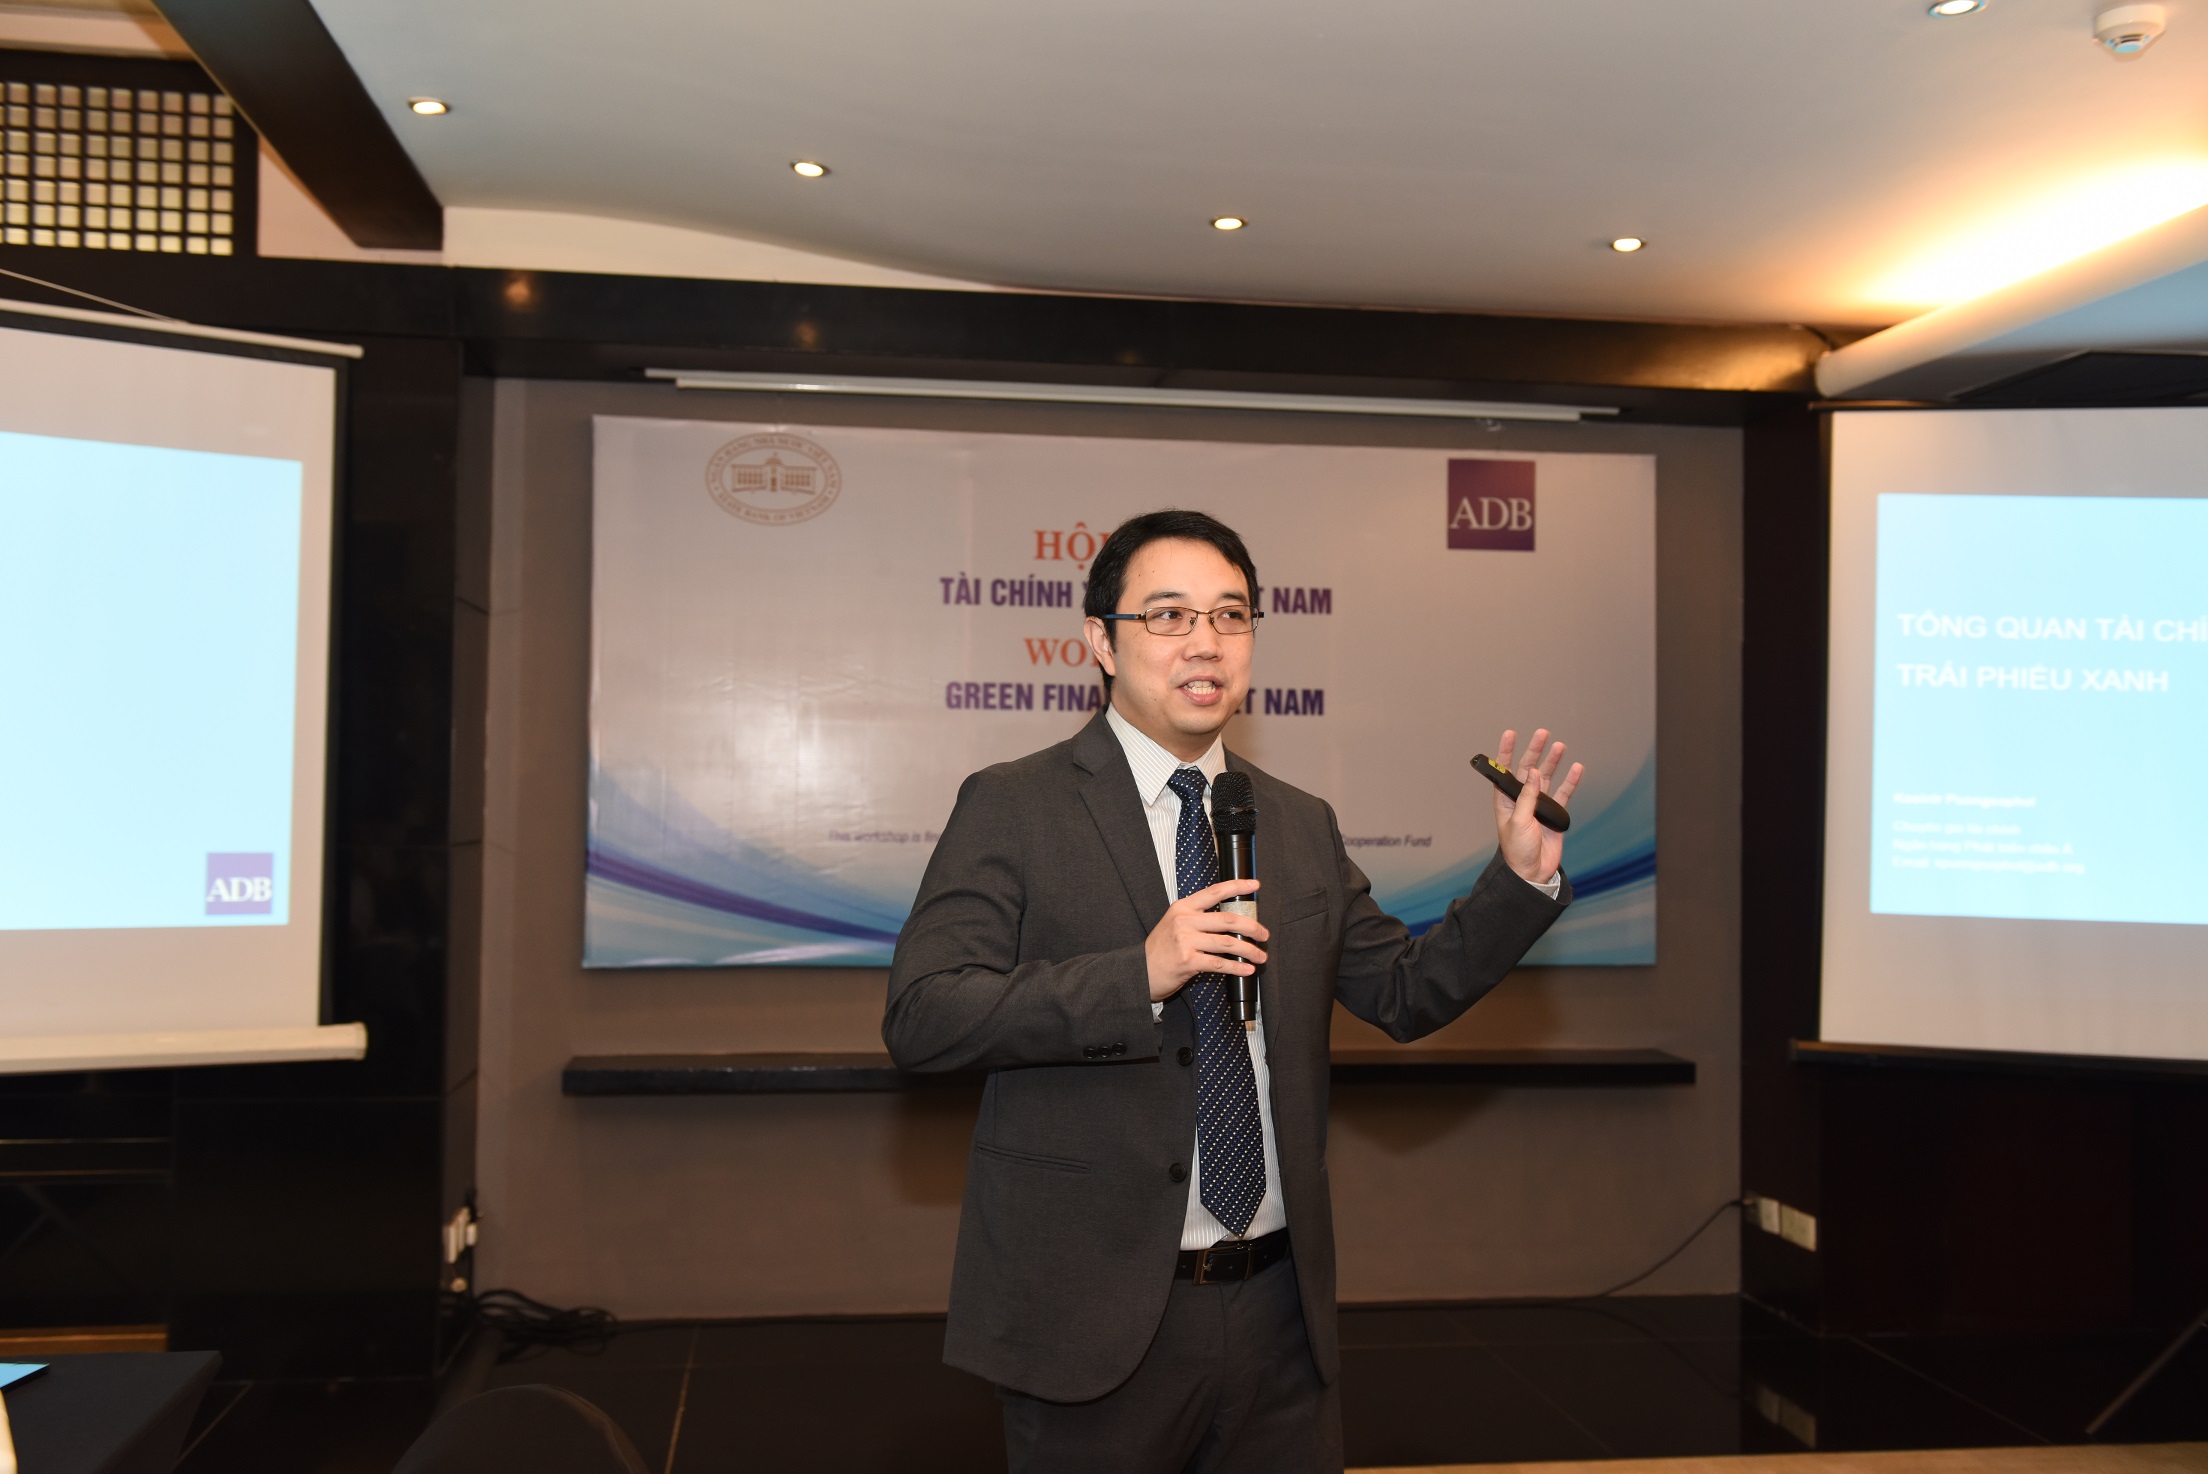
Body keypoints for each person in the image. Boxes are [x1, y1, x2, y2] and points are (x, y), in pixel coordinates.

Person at [883, 509, 1581, 1473]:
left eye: (1231, 615)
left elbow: (1404, 992)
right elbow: (924, 1012)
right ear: (1101, 642)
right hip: (1094, 1320)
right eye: (1169, 615)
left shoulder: (1293, 821)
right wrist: (1138, 974)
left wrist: (1521, 879)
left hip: (1278, 1317)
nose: (1206, 642)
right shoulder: (1016, 804)